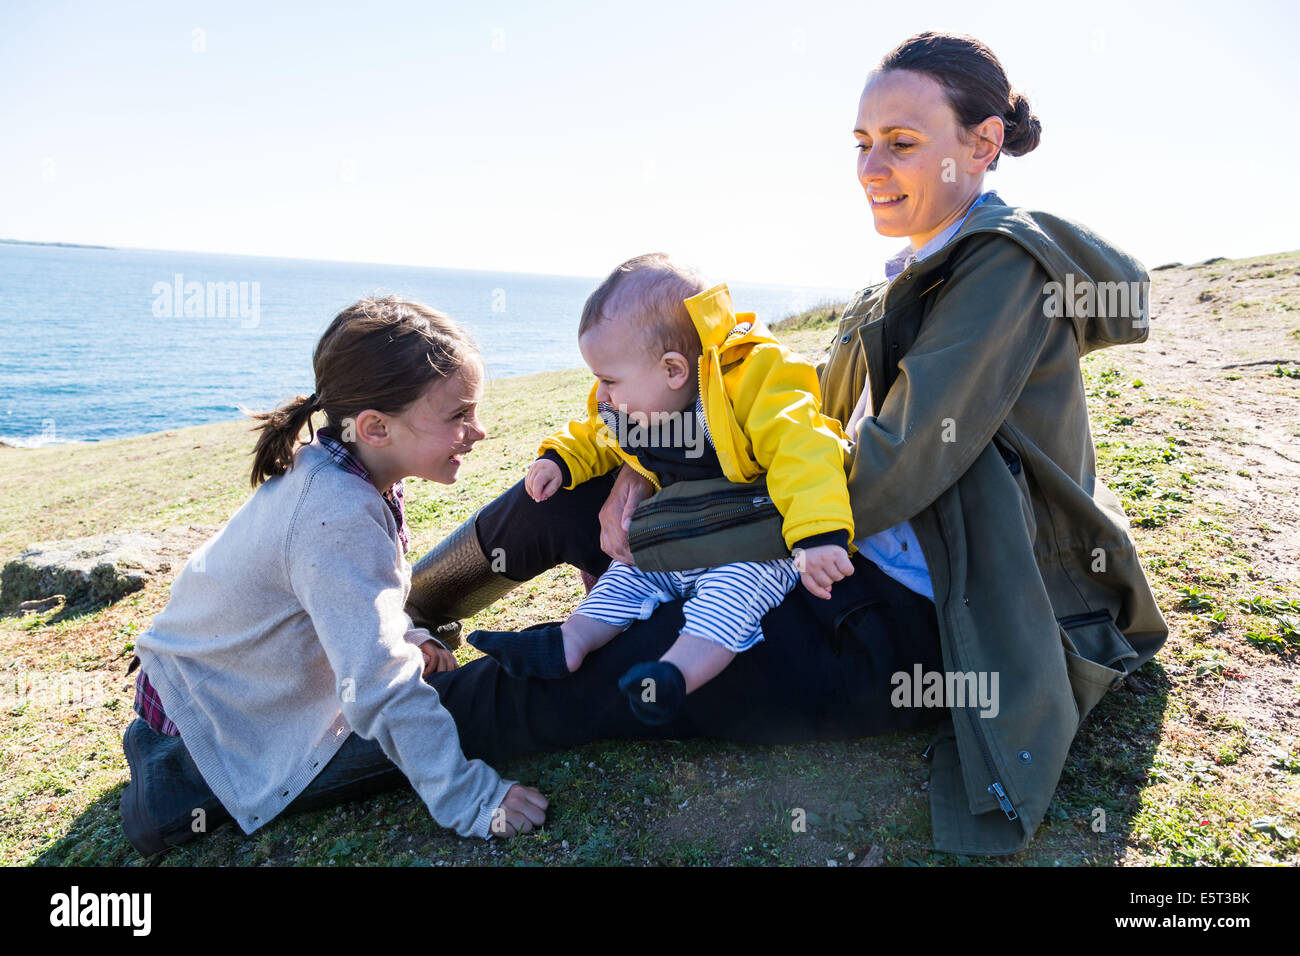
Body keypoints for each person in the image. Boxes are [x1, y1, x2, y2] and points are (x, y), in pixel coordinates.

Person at [132, 31, 1168, 859]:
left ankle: (276, 751)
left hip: (908, 609)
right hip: (829, 547)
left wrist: (679, 530)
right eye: (861, 140)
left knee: (621, 671)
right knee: (558, 498)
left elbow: (889, 472)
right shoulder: (908, 270)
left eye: (901, 141)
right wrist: (639, 469)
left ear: (981, 143)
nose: (871, 167)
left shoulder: (999, 271)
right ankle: (398, 620)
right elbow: (799, 418)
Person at [119, 295, 547, 856]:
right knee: (462, 705)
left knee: (436, 683)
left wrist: (407, 633)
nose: (479, 430)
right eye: (458, 416)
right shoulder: (335, 512)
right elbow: (378, 685)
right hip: (220, 721)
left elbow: (345, 599)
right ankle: (178, 784)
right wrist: (471, 799)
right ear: (375, 427)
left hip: (205, 686)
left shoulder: (337, 467)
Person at [466, 253, 856, 725]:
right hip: (676, 538)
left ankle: (673, 675)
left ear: (673, 370)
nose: (602, 393)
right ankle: (569, 641)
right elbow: (597, 431)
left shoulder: (754, 378)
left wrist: (818, 533)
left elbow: (805, 447)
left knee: (730, 599)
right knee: (623, 577)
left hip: (752, 542)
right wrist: (561, 458)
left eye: (609, 380)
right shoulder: (631, 403)